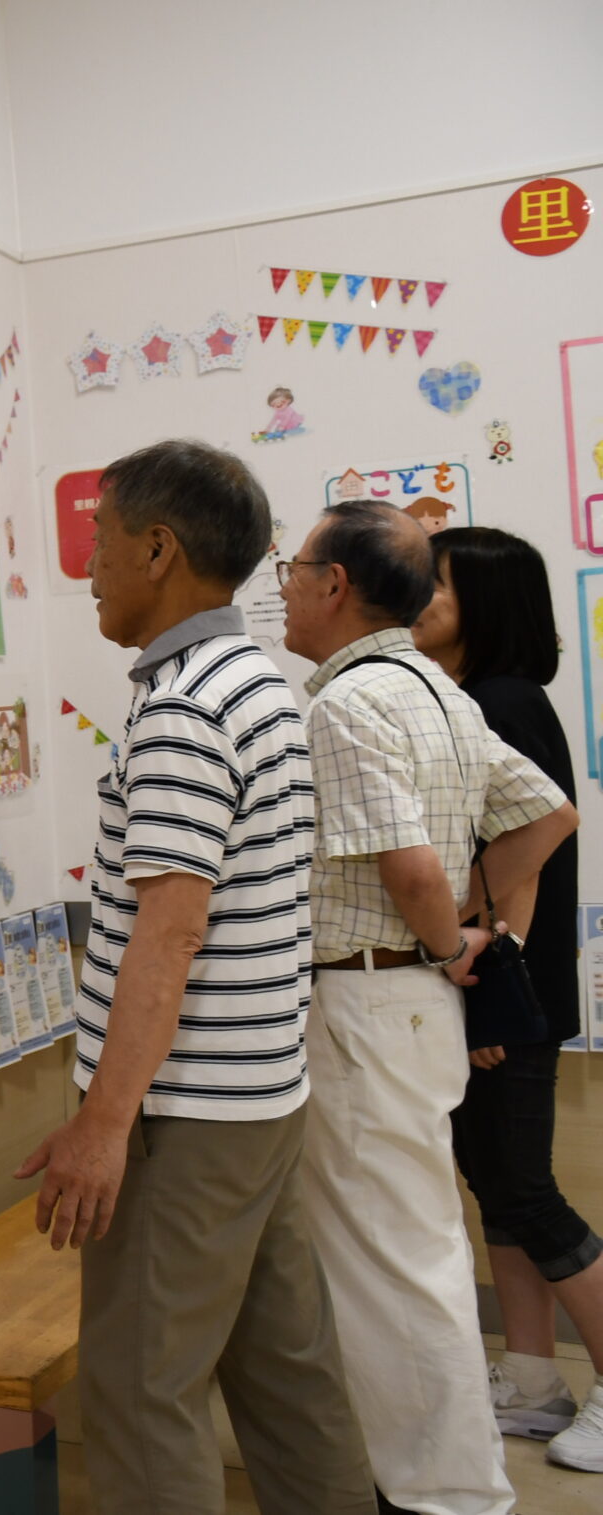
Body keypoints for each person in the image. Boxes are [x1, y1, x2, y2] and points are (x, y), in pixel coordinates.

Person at [16, 440, 374, 1514]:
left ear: (158, 549)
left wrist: (103, 1124)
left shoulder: (180, 710)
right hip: (260, 1101)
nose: (87, 569)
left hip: (184, 1118)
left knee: (138, 1394)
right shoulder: (258, 682)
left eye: (99, 541)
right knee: (284, 1375)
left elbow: (166, 940)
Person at [281, 499, 578, 1515]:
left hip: (370, 999)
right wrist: (487, 932)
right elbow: (545, 814)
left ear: (333, 586)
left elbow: (409, 865)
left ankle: (446, 1496)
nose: (280, 585)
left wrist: (455, 940)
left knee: (391, 1263)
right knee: (415, 1250)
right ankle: (444, 1482)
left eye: (292, 567)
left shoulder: (347, 706)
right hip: (409, 1010)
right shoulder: (438, 696)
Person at [415, 526, 603, 1469]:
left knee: (525, 1190)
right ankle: (531, 1381)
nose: (414, 594)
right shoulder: (469, 699)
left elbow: (523, 852)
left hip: (506, 992)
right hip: (497, 989)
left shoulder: (499, 702)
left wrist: (489, 992)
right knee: (497, 1186)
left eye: (434, 582)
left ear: (481, 602)